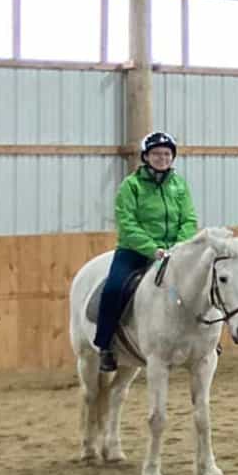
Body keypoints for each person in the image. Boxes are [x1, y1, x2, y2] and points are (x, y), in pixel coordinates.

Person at [96, 130, 200, 372]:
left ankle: (204, 342)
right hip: (136, 251)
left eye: (166, 154)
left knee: (201, 286)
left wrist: (179, 246)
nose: (162, 158)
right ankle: (106, 346)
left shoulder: (179, 185)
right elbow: (128, 224)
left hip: (175, 251)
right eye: (156, 154)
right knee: (113, 289)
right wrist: (154, 249)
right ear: (146, 157)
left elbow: (189, 218)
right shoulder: (130, 186)